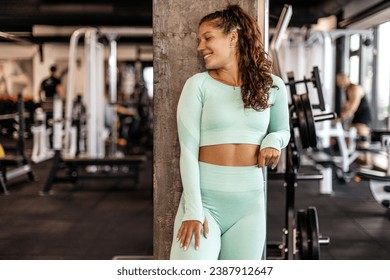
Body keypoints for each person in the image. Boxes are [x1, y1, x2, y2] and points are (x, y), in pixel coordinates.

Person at [170, 4, 290, 260]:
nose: (200, 46)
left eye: (208, 38)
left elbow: (282, 130)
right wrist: (193, 210)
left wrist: (272, 140)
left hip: (250, 205)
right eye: (199, 40)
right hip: (205, 203)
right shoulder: (197, 85)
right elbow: (188, 152)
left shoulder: (273, 86)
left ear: (233, 37)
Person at [336, 73, 372, 152]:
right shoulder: (347, 90)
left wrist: (340, 118)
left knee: (363, 144)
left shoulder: (355, 89)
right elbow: (346, 107)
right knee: (348, 141)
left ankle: (367, 162)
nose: (338, 83)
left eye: (339, 81)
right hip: (357, 116)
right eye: (337, 81)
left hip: (363, 117)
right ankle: (349, 160)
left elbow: (352, 109)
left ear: (345, 78)